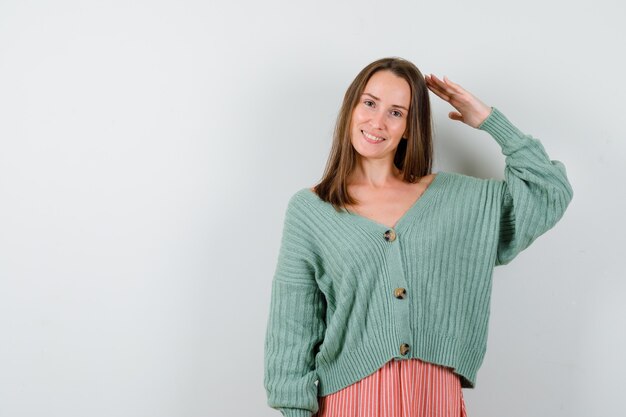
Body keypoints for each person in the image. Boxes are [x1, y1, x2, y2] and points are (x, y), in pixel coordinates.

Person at [263, 57, 573, 417]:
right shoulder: (311, 209)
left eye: (396, 112)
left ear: (410, 127)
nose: (377, 121)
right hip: (349, 400)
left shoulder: (459, 201)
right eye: (369, 103)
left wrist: (490, 121)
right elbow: (292, 331)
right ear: (351, 108)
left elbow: (548, 190)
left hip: (434, 397)